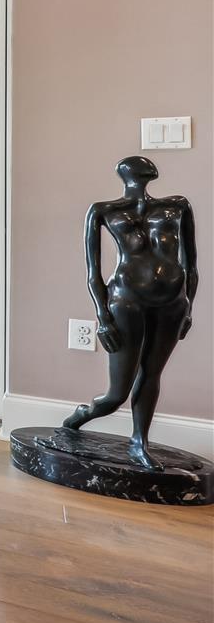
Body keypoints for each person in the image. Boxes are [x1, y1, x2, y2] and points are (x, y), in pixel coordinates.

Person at [63, 156, 198, 470]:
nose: (147, 166)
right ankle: (80, 417)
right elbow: (93, 273)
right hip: (125, 300)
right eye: (138, 166)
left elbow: (192, 264)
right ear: (124, 174)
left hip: (172, 301)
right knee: (116, 393)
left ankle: (139, 442)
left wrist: (189, 304)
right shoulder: (103, 210)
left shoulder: (177, 205)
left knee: (152, 374)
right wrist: (102, 318)